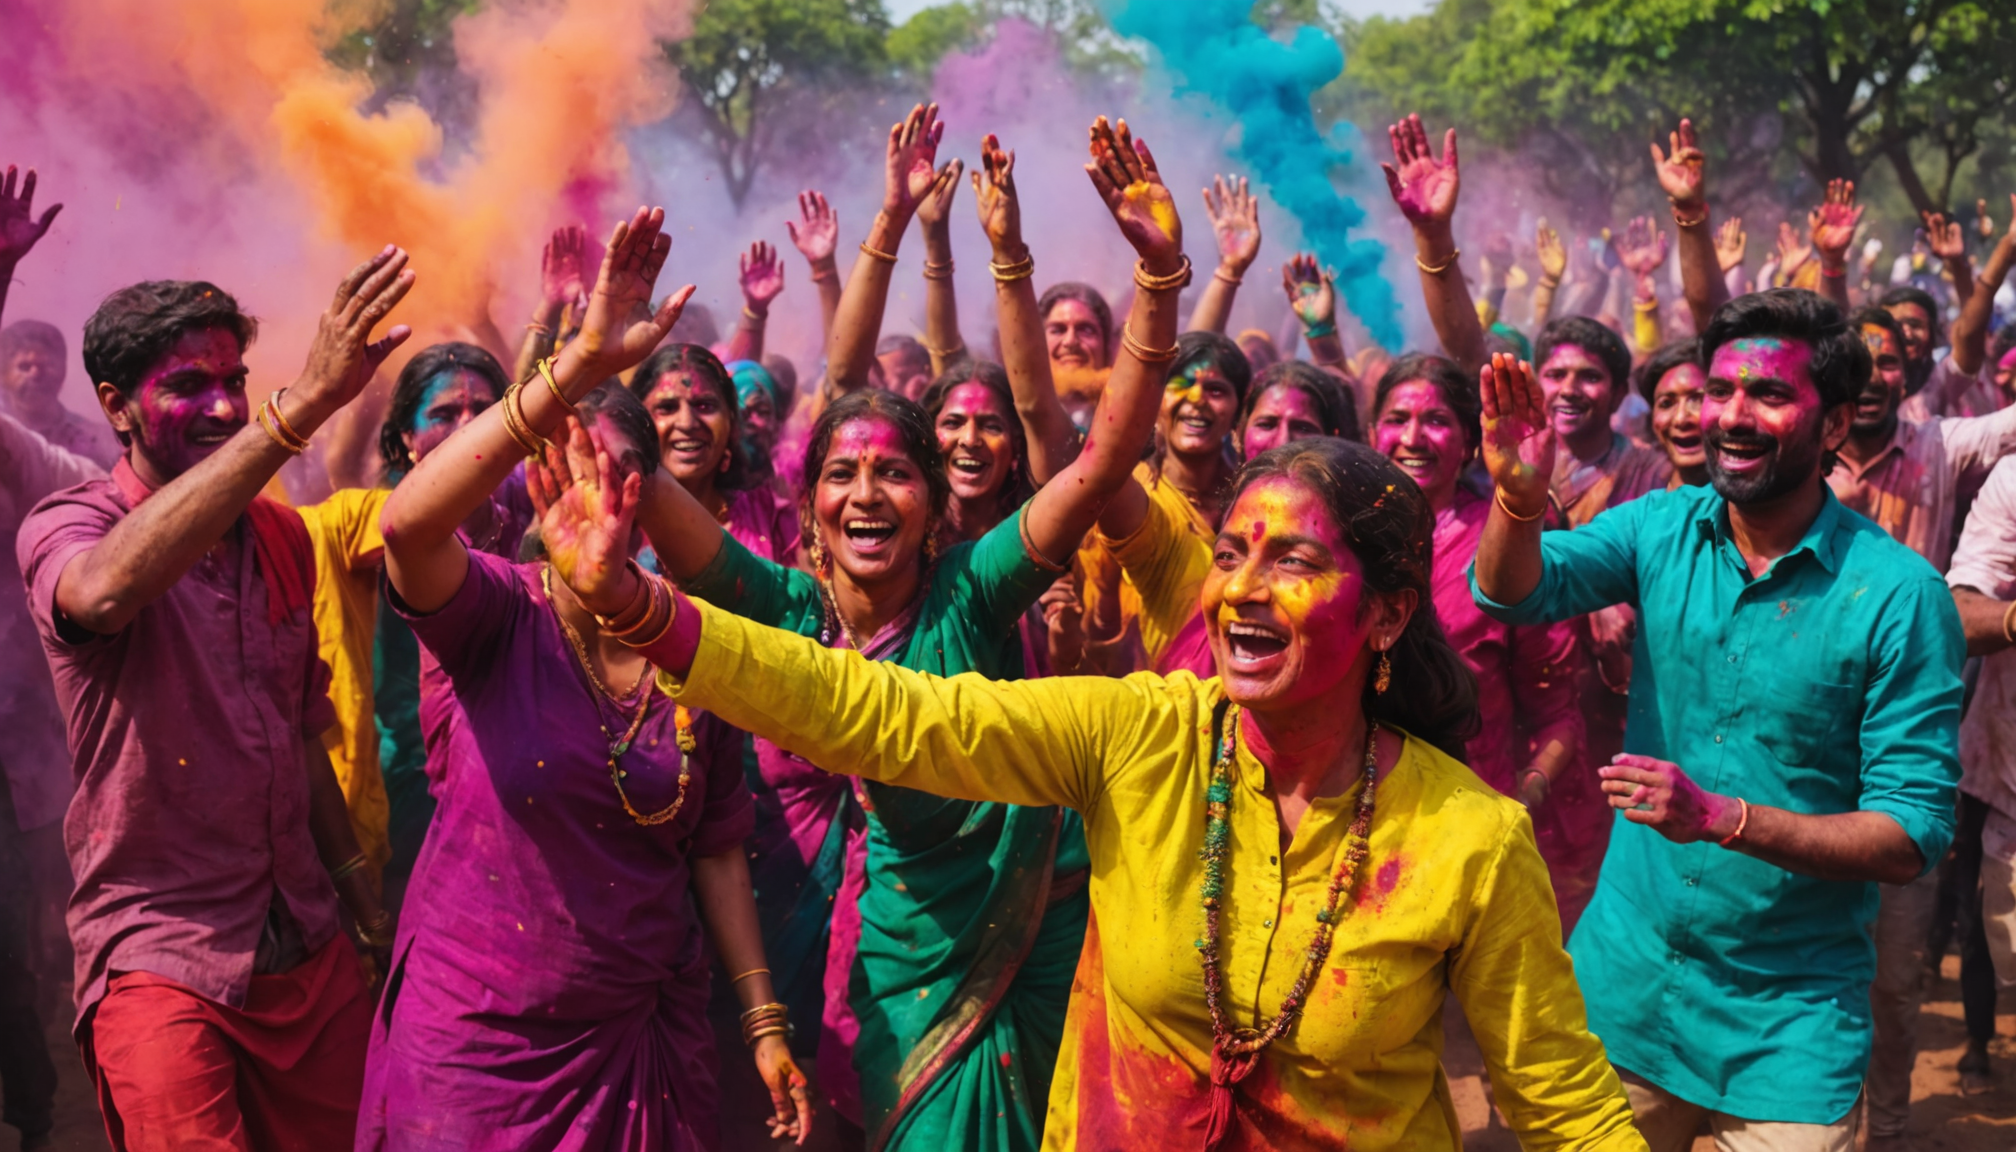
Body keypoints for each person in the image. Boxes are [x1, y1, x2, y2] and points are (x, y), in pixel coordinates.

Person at [547, 427, 1651, 1151]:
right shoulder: (1143, 735)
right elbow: (885, 713)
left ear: (1391, 616)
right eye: (1229, 554)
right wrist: (644, 607)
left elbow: (1560, 1099)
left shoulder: (1470, 837)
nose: (1242, 592)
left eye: (1294, 565)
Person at [639, 113, 1191, 1152]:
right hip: (905, 947)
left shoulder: (972, 591)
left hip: (1043, 926)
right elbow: (664, 508)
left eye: (894, 471)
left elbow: (1096, 462)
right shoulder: (789, 606)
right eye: (841, 474)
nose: (865, 494)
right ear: (806, 514)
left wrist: (1159, 281)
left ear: (935, 507)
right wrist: (588, 369)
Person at [1473, 289, 1964, 1150]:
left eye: (1768, 395)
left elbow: (1910, 833)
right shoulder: (1661, 527)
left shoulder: (1900, 597)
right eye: (1719, 390)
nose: (1728, 417)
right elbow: (1513, 591)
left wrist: (1723, 820)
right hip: (1623, 994)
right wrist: (1518, 496)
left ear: (1837, 423)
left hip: (1787, 1025)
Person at [366, 207, 811, 1150]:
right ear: (532, 480)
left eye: (623, 474)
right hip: (478, 1044)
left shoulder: (694, 642)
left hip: (645, 1032)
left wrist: (763, 1023)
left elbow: (719, 842)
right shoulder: (497, 610)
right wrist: (575, 361)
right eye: (573, 469)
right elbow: (404, 531)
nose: (601, 497)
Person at [18, 256, 413, 1150]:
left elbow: (299, 731)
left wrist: (359, 897)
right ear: (116, 406)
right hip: (160, 954)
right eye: (188, 386)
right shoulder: (66, 524)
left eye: (237, 382)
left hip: (305, 943)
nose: (228, 407)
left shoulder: (277, 532)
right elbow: (103, 596)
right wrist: (299, 408)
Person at [1370, 352, 1601, 930]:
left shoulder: (1505, 545)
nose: (1413, 437)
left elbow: (1557, 711)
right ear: (1372, 432)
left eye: (1437, 421)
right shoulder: (1340, 533)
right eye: (1397, 418)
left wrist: (1522, 798)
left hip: (1469, 824)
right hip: (1347, 815)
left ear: (1472, 444)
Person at [300, 341, 520, 916]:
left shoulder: (533, 524)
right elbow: (406, 525)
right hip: (408, 788)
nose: (469, 429)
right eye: (444, 416)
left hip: (518, 780)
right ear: (403, 441)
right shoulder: (373, 526)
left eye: (485, 412)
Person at [1828, 305, 2016, 572]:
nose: (1871, 379)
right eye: (1857, 365)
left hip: (1916, 614)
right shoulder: (1804, 456)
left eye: (1887, 363)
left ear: (1905, 377)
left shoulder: (1939, 445)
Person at [1943, 456, 2016, 1097]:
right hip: (2004, 780)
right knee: (1985, 933)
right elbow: (1960, 614)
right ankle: (1977, 1040)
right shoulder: (2014, 481)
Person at [631, 343, 796, 566]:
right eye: (668, 407)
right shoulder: (619, 521)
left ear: (732, 422)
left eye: (704, 405)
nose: (687, 423)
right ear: (639, 422)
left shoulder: (772, 515)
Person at [1, 321, 121, 469]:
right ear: (2, 374)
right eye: (24, 366)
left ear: (63, 370)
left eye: (46, 365)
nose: (36, 374)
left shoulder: (98, 442)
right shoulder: (3, 434)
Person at [1635, 340, 1707, 488]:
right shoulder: (1640, 503)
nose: (1681, 419)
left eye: (1698, 400)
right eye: (1666, 403)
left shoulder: (1750, 508)